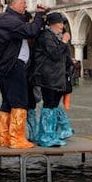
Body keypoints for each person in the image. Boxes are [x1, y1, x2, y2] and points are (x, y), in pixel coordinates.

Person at [0, 0, 47, 149]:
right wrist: (39, 15)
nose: (25, 6)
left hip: (8, 66)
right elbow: (31, 31)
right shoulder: (9, 20)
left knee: (7, 102)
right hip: (12, 66)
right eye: (23, 3)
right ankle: (17, 139)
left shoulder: (9, 19)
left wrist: (39, 16)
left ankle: (5, 136)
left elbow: (29, 26)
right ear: (14, 4)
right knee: (20, 101)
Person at [30, 13, 74, 147]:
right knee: (49, 105)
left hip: (56, 77)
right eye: (60, 23)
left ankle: (51, 134)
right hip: (48, 77)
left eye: (62, 23)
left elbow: (61, 56)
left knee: (53, 106)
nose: (62, 26)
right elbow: (54, 54)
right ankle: (45, 136)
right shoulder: (46, 36)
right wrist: (64, 41)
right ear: (52, 24)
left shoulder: (54, 37)